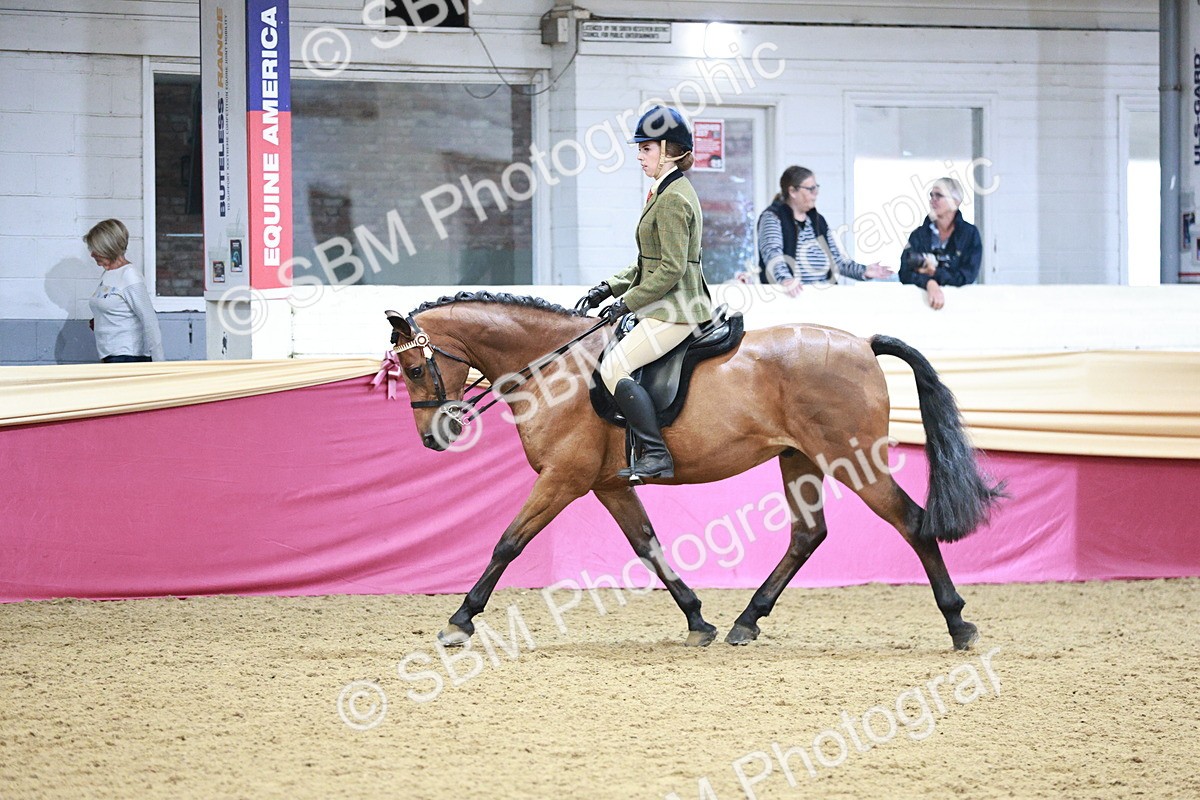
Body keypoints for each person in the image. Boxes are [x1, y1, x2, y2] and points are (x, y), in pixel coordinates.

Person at [576, 105, 712, 482]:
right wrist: (608, 288)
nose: (639, 155)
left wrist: (625, 304)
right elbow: (647, 263)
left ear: (669, 150)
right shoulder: (663, 190)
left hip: (678, 309)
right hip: (665, 303)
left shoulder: (672, 199)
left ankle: (656, 454)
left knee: (613, 366)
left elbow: (670, 270)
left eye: (646, 148)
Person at [750, 166, 893, 294]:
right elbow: (772, 253)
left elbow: (837, 261)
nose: (816, 193)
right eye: (810, 189)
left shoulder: (817, 220)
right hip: (789, 298)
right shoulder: (773, 217)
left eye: (816, 187)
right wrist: (786, 279)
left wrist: (864, 271)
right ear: (793, 191)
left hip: (822, 297)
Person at [84, 218, 164, 362]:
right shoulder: (108, 274)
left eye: (95, 249)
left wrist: (159, 363)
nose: (92, 254)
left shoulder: (130, 275)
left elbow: (149, 320)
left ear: (107, 247)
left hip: (129, 356)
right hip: (110, 355)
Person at [899, 177, 982, 310]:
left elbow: (967, 276)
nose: (933, 200)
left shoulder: (970, 234)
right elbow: (904, 273)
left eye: (939, 195)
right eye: (931, 195)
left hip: (960, 308)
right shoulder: (918, 235)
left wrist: (934, 272)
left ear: (956, 201)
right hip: (920, 308)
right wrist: (929, 283)